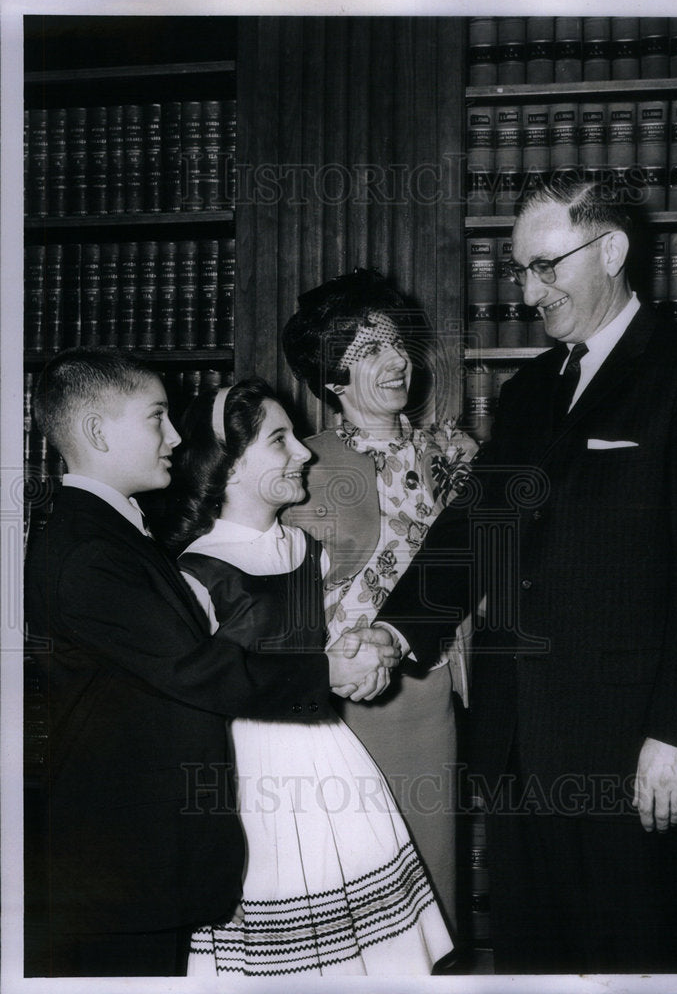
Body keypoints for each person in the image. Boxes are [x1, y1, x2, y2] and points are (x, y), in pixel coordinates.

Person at [374, 174, 677, 973]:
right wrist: (393, 628)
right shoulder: (527, 392)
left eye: (547, 265)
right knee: (538, 963)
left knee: (642, 958)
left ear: (613, 250)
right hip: (520, 746)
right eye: (521, 270)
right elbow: (475, 532)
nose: (529, 290)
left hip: (635, 751)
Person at [24, 348, 398, 977]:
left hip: (138, 847)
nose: (176, 436)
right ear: (96, 431)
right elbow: (195, 667)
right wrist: (327, 673)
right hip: (121, 855)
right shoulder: (91, 550)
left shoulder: (105, 532)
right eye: (157, 418)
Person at [163, 377, 453, 976]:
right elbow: (205, 683)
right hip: (252, 770)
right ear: (230, 465)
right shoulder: (195, 571)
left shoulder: (306, 548)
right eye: (279, 441)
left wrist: (359, 667)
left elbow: (320, 653)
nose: (304, 452)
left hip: (329, 751)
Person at [281, 269, 478, 933]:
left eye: (397, 345)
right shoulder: (299, 469)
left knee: (431, 889)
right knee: (354, 901)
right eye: (369, 352)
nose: (397, 361)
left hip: (434, 703)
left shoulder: (457, 454)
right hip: (342, 710)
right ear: (331, 376)